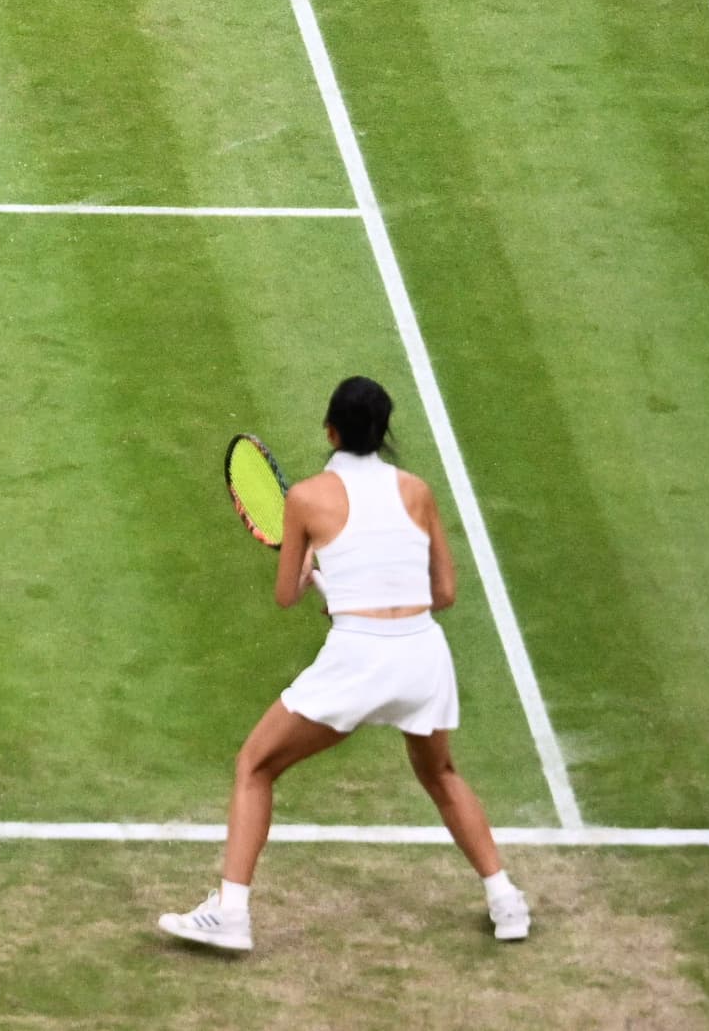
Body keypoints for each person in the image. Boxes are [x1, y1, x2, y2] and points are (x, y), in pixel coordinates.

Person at [160, 376, 527, 955]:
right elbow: (446, 591)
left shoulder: (306, 498)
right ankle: (505, 898)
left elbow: (287, 595)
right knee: (441, 774)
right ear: (384, 434)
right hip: (423, 656)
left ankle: (231, 912)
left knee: (255, 764)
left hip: (359, 659)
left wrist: (313, 573)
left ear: (330, 430)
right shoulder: (418, 491)